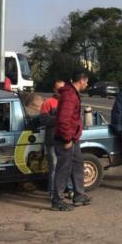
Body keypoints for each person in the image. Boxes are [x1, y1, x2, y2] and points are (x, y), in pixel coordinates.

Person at [51, 71, 91, 211]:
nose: (87, 84)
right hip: (65, 140)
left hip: (73, 139)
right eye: (87, 81)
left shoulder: (72, 93)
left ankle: (79, 195)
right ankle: (57, 200)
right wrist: (67, 139)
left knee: (77, 165)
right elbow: (63, 120)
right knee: (63, 170)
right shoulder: (69, 95)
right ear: (82, 80)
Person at [39, 80, 71, 200]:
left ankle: (68, 190)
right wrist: (60, 118)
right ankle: (53, 193)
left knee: (66, 166)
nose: (61, 91)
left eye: (63, 89)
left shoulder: (68, 102)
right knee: (54, 168)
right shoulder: (48, 103)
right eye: (58, 89)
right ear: (54, 90)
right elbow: (43, 120)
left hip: (65, 140)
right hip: (52, 141)